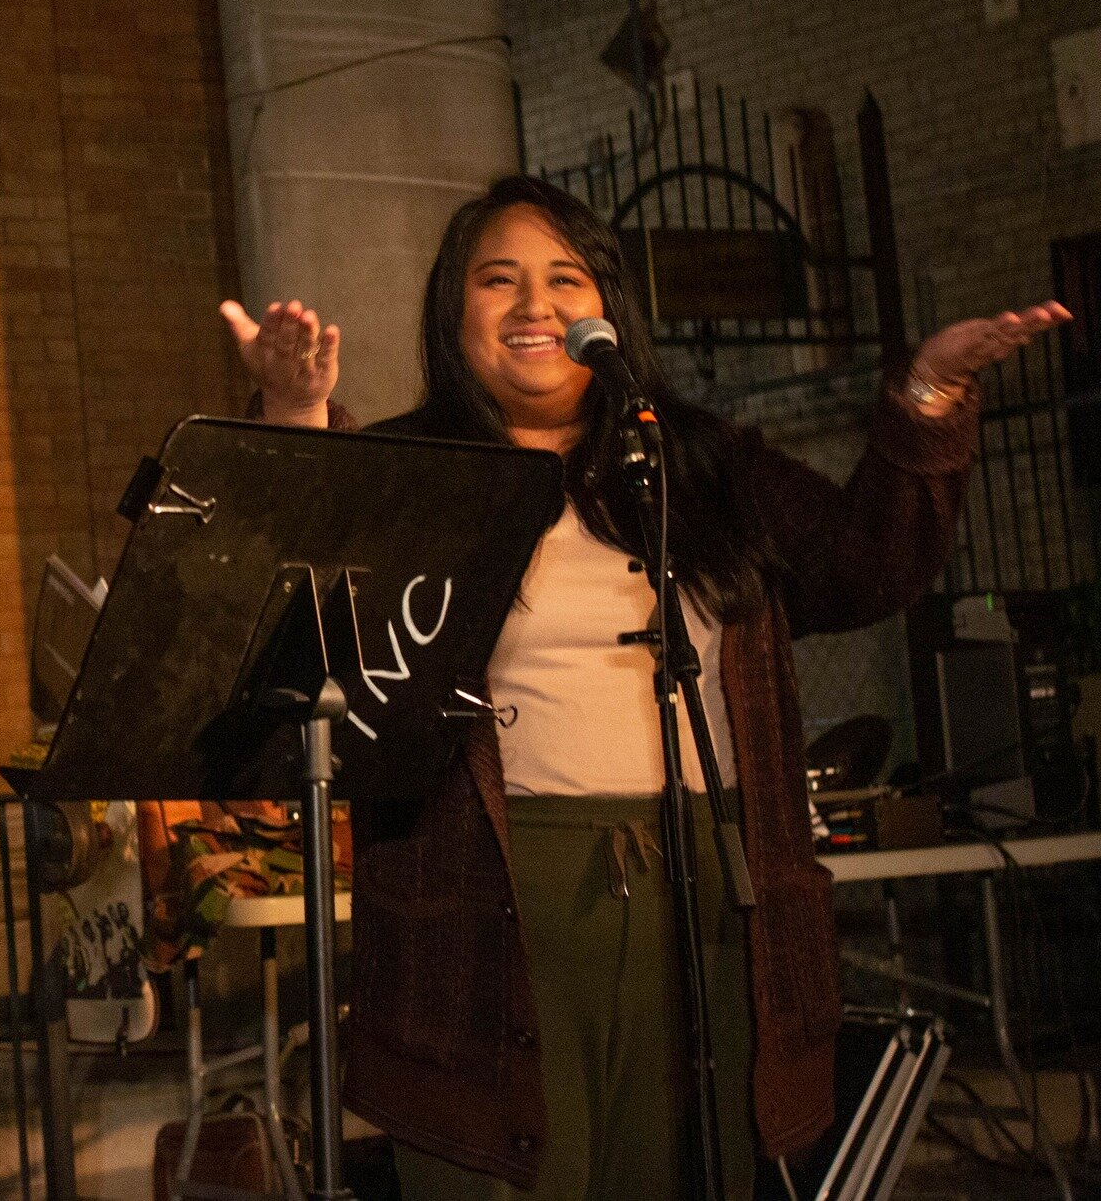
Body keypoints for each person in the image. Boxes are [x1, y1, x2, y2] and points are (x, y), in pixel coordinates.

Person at [220, 175, 1067, 1200]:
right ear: (454, 316)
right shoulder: (410, 469)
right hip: (492, 902)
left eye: (563, 278)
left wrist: (925, 401)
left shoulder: (694, 462)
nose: (535, 304)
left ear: (607, 313)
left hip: (703, 889)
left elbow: (860, 563)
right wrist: (294, 411)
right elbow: (286, 625)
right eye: (498, 281)